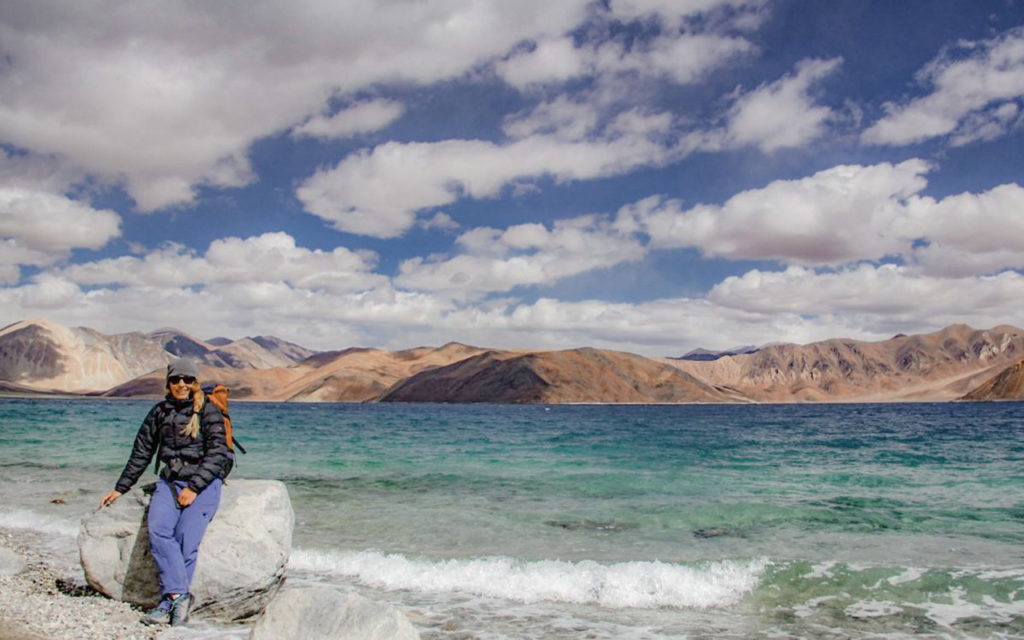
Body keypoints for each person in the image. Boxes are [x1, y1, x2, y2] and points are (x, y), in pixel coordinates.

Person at [99, 357, 231, 627]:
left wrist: (194, 488)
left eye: (187, 380)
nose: (181, 384)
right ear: (168, 383)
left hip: (204, 484)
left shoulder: (208, 411)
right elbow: (141, 453)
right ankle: (180, 596)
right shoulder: (159, 412)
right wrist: (120, 488)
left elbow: (218, 453)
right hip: (170, 482)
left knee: (185, 539)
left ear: (196, 383)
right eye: (175, 380)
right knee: (158, 531)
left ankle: (165, 603)